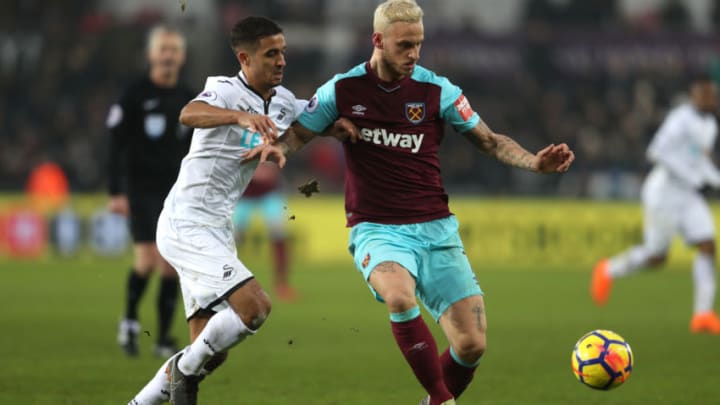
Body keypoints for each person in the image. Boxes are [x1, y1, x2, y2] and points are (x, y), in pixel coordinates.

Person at [250, 1, 574, 403]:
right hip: (377, 228)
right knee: (400, 297)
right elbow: (298, 133)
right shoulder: (342, 90)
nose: (414, 54)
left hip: (436, 228)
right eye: (404, 45)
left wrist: (533, 162)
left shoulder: (438, 90)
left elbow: (489, 141)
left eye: (419, 44)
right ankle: (442, 398)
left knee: (471, 345)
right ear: (378, 40)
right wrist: (278, 151)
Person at [127, 16, 353, 405]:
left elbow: (316, 120)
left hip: (217, 228)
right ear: (245, 59)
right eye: (271, 54)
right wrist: (239, 116)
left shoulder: (281, 101)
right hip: (185, 222)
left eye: (282, 51)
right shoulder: (224, 90)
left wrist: (346, 127)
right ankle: (181, 374)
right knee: (255, 308)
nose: (281, 60)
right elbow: (189, 113)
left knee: (208, 354)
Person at [592, 74, 720, 334]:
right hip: (663, 191)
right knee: (657, 256)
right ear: (694, 95)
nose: (710, 99)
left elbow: (701, 163)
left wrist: (715, 180)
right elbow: (657, 151)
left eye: (712, 95)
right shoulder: (680, 119)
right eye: (704, 94)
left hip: (688, 194)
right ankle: (608, 269)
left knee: (707, 245)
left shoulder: (710, 125)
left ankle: (703, 315)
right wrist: (692, 176)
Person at [107, 25, 195, 358]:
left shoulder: (188, 98)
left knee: (169, 266)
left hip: (174, 191)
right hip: (139, 187)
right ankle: (130, 322)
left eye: (174, 50)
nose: (169, 55)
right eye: (163, 49)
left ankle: (162, 338)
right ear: (151, 55)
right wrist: (116, 191)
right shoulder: (133, 95)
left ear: (182, 56)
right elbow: (115, 146)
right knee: (145, 260)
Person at [232, 162, 296, 301]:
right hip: (242, 194)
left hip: (270, 193)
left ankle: (282, 285)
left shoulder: (271, 140)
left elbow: (270, 172)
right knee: (230, 240)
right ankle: (226, 284)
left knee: (279, 234)